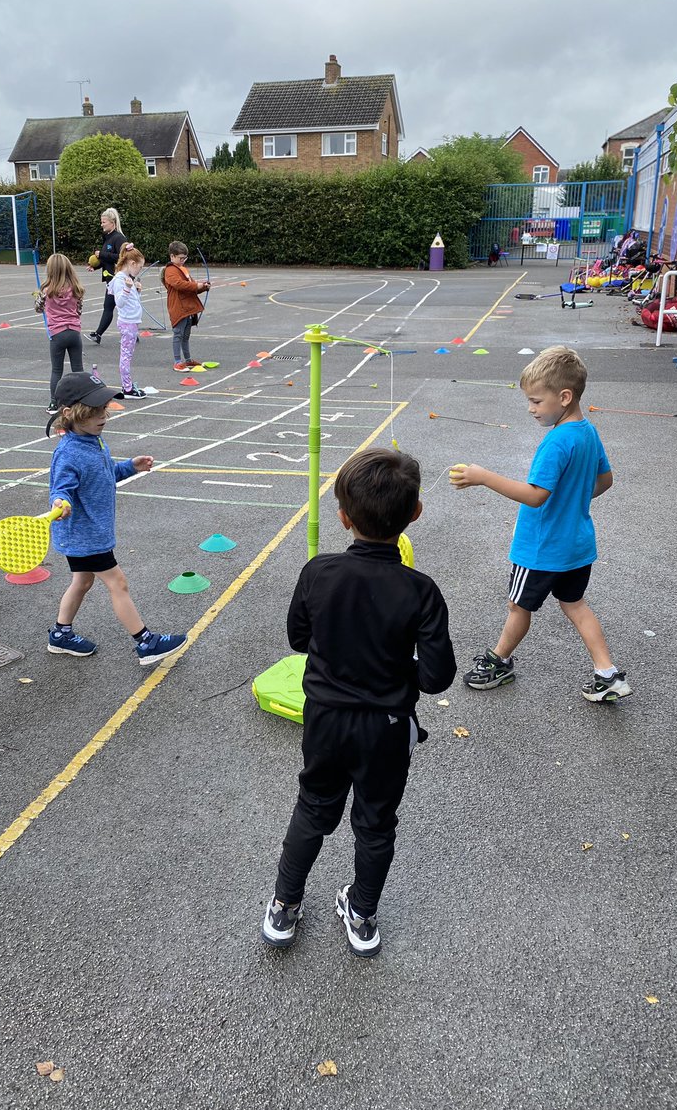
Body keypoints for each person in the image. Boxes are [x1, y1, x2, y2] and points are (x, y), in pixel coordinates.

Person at [261, 449, 456, 957]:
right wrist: (394, 668)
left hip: (325, 718)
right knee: (375, 821)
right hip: (387, 727)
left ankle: (284, 906)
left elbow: (298, 638)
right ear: (415, 514)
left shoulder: (318, 572)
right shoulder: (422, 591)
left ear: (344, 517)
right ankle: (363, 914)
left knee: (313, 807)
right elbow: (437, 676)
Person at [451, 345, 632, 703]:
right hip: (576, 546)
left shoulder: (555, 443)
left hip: (540, 549)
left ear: (564, 397)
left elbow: (535, 495)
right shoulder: (587, 432)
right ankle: (607, 674)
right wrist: (573, 501)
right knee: (576, 606)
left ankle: (499, 662)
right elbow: (605, 480)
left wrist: (483, 476)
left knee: (519, 607)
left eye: (536, 401)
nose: (531, 409)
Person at [46, 371, 188, 664]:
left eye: (104, 410)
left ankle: (60, 634)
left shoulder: (93, 441)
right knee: (117, 583)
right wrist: (61, 501)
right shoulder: (69, 452)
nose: (103, 417)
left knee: (82, 582)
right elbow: (61, 488)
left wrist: (129, 467)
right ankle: (145, 642)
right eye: (94, 412)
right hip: (86, 537)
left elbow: (104, 475)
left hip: (91, 534)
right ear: (70, 413)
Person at [34, 253, 85, 413]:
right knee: (78, 368)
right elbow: (79, 310)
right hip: (74, 333)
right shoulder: (76, 289)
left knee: (57, 370)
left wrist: (38, 296)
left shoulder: (47, 290)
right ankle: (81, 400)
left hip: (57, 334)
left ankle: (54, 403)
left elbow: (38, 308)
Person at [162, 241, 210, 372]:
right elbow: (179, 284)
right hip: (179, 307)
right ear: (172, 256)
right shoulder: (170, 270)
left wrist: (203, 287)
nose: (183, 260)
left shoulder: (183, 269)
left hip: (188, 307)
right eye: (180, 258)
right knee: (178, 334)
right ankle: (177, 362)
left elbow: (191, 286)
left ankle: (188, 360)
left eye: (185, 258)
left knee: (186, 335)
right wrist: (197, 286)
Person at [108, 243, 147, 399]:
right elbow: (120, 303)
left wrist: (137, 291)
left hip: (132, 321)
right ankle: (127, 388)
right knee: (125, 356)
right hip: (127, 322)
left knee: (128, 354)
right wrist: (127, 288)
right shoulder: (120, 280)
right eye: (140, 267)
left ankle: (128, 386)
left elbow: (133, 302)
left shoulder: (126, 279)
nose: (139, 270)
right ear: (132, 264)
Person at [89, 208, 127, 345]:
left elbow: (122, 257)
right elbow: (107, 260)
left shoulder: (119, 238)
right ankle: (132, 334)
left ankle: (98, 334)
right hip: (111, 278)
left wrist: (102, 254)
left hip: (119, 278)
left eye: (104, 222)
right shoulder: (107, 238)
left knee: (110, 306)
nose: (102, 224)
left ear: (112, 222)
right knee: (116, 307)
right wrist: (95, 266)